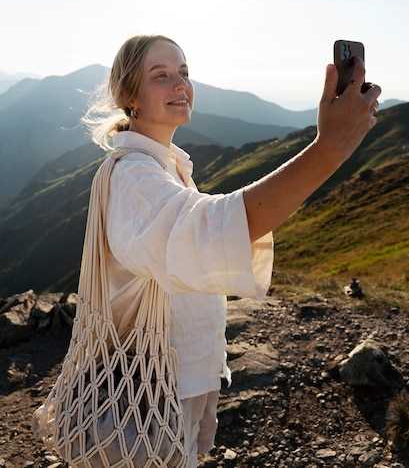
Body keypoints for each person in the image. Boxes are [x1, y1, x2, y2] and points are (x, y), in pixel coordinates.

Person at [81, 34, 381, 467]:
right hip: (144, 393)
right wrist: (328, 148)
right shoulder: (135, 179)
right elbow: (208, 232)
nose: (180, 85)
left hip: (174, 382)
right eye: (161, 76)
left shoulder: (166, 167)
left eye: (183, 72)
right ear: (131, 96)